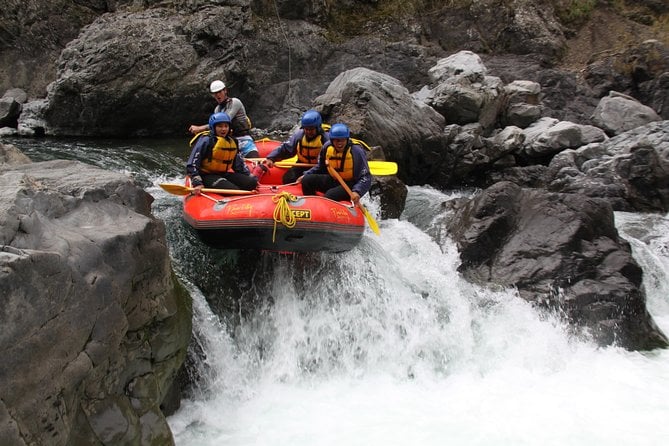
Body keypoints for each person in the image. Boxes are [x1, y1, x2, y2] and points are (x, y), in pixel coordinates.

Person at [299, 123, 371, 206]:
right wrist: (306, 174)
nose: (339, 143)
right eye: (336, 140)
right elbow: (320, 166)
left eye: (342, 140)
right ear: (332, 140)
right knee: (307, 180)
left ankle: (326, 210)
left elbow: (366, 176)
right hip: (334, 180)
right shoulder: (327, 147)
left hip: (350, 184)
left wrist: (357, 191)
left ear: (347, 139)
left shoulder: (356, 151)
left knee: (330, 195)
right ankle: (311, 206)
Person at [186, 112, 258, 193]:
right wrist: (197, 182)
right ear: (213, 127)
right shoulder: (206, 140)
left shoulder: (232, 141)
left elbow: (238, 164)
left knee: (252, 183)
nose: (223, 129)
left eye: (226, 126)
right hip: (206, 175)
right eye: (220, 126)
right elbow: (192, 163)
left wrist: (249, 176)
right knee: (233, 191)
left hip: (224, 174)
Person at [188, 80, 259, 158]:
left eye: (220, 92)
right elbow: (215, 127)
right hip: (229, 142)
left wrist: (200, 128)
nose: (218, 95)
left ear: (225, 91)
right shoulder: (217, 109)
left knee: (254, 161)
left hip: (244, 139)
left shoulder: (235, 102)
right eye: (215, 93)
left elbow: (224, 119)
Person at [263, 110, 330, 184]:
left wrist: (308, 174)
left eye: (311, 129)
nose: (308, 132)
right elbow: (285, 148)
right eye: (306, 129)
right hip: (302, 164)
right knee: (288, 178)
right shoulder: (299, 136)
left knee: (309, 180)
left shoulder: (326, 139)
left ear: (318, 128)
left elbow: (327, 162)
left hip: (319, 168)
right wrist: (272, 157)